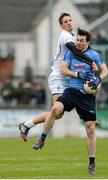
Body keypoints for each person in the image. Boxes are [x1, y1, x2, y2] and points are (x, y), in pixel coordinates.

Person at [32, 28, 108, 175]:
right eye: (77, 40)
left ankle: (92, 163)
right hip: (72, 91)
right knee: (55, 109)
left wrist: (99, 78)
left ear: (88, 42)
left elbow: (105, 71)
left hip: (87, 96)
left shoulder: (94, 55)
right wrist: (78, 74)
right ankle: (42, 139)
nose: (78, 42)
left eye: (81, 40)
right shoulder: (71, 53)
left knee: (90, 129)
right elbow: (62, 69)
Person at [18, 12, 99, 142]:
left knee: (63, 108)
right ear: (61, 25)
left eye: (70, 20)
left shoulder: (73, 36)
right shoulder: (65, 36)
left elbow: (84, 48)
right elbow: (75, 51)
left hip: (67, 76)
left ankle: (90, 117)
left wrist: (93, 57)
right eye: (65, 21)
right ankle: (27, 125)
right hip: (58, 76)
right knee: (57, 111)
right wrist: (91, 62)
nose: (69, 23)